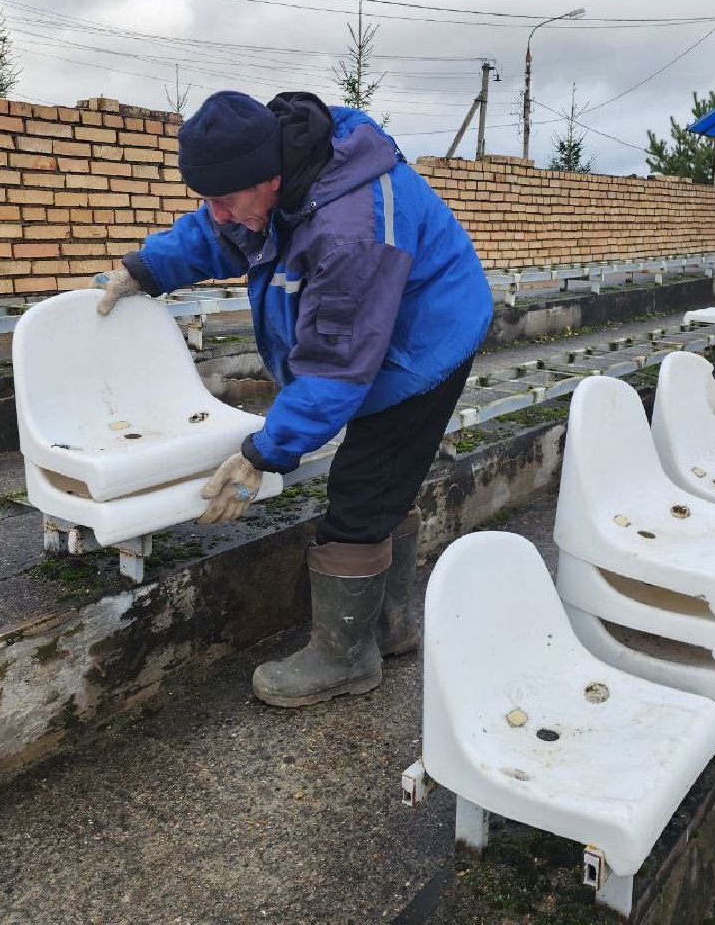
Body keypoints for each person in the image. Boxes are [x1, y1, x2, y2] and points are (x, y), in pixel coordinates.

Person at [92, 90, 491, 708]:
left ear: (271, 179)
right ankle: (391, 626)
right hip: (376, 337)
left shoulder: (351, 227)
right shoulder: (271, 178)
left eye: (227, 199)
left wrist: (264, 453)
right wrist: (144, 269)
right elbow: (219, 232)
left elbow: (335, 364)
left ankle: (345, 658)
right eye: (208, 197)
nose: (217, 212)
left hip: (423, 348)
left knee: (362, 493)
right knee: (381, 486)